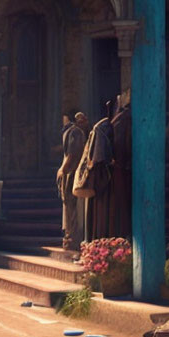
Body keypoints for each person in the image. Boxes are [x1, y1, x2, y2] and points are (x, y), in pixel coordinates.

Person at [74, 100, 114, 240]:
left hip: (96, 175)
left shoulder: (99, 130)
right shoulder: (96, 130)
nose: (82, 123)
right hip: (92, 174)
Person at [56, 111, 89, 250]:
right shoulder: (70, 131)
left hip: (72, 172)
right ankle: (69, 236)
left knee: (72, 205)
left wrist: (62, 169)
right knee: (68, 205)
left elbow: (71, 153)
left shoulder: (75, 132)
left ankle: (73, 237)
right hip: (69, 172)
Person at [109, 90, 132, 238]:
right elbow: (126, 143)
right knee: (124, 205)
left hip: (120, 165)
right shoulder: (124, 119)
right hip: (123, 167)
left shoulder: (120, 119)